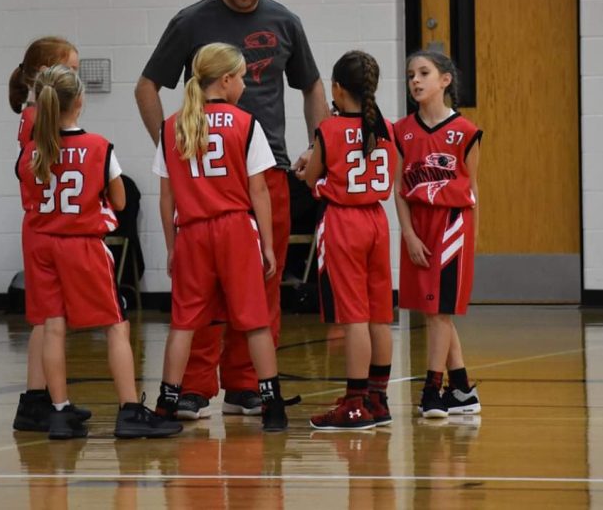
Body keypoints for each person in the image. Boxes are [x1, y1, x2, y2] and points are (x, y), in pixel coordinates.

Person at [135, 0, 329, 419]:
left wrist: (317, 147)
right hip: (205, 181)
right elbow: (146, 87)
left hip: (268, 172)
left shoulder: (285, 22)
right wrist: (171, 149)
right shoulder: (191, 21)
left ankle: (247, 386)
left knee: (262, 281)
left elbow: (312, 86)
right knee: (199, 291)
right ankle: (195, 388)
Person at [17, 64, 182, 440]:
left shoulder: (31, 151)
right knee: (116, 324)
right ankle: (129, 409)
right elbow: (120, 202)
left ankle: (59, 412)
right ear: (80, 101)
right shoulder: (98, 147)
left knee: (53, 326)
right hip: (83, 245)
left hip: (42, 245)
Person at [151, 43, 296, 432]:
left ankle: (166, 404)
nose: (245, 85)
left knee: (184, 323)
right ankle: (272, 404)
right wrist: (268, 245)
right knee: (255, 321)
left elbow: (166, 198)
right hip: (235, 229)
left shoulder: (172, 125)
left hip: (191, 231)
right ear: (227, 79)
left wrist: (171, 246)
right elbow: (259, 191)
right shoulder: (246, 123)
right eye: (243, 77)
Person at [303, 51, 396, 430]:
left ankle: (355, 403)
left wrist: (310, 170)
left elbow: (311, 178)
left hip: (344, 221)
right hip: (377, 220)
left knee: (354, 317)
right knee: (380, 315)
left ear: (338, 89)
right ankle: (378, 399)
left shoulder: (328, 129)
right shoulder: (387, 128)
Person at [394, 50, 483, 418]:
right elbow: (400, 189)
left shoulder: (466, 132)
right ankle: (461, 390)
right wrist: (408, 234)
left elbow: (473, 190)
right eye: (410, 74)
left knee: (438, 312)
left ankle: (432, 390)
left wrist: (470, 240)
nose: (415, 80)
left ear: (445, 80)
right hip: (417, 226)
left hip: (452, 225)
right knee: (434, 312)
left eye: (423, 73)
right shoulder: (401, 130)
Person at [9, 37, 91, 433]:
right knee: (45, 319)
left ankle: (36, 397)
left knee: (46, 319)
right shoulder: (35, 118)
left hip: (44, 224)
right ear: (45, 74)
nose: (75, 76)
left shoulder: (37, 114)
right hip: (44, 225)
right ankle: (35, 400)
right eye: (70, 69)